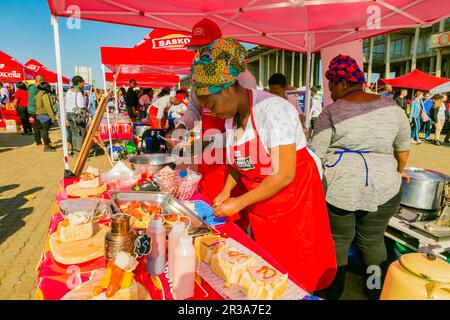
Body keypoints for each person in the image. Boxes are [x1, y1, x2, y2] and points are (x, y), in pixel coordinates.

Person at [191, 37, 336, 292]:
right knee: (270, 272)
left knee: (300, 273)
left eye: (211, 105)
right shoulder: (231, 117)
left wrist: (239, 202)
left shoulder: (273, 109)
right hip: (264, 205)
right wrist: (226, 191)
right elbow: (238, 161)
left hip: (295, 203)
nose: (211, 113)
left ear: (227, 89)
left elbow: (283, 174)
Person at [310, 54, 410, 300]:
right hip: (385, 185)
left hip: (339, 187)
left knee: (338, 242)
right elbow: (403, 149)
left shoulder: (331, 111)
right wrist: (398, 171)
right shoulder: (392, 107)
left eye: (332, 85)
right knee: (373, 241)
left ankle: (331, 293)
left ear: (342, 83)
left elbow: (316, 154)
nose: (331, 91)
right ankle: (374, 290)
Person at [172, 18, 258, 232]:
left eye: (205, 48)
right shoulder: (197, 76)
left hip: (233, 155)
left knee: (232, 213)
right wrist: (182, 125)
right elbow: (194, 109)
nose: (200, 52)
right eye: (197, 48)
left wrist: (210, 142)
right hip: (208, 155)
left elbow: (247, 127)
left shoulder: (243, 77)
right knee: (207, 205)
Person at [65, 76, 87, 153]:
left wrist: (66, 118)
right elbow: (81, 106)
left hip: (69, 114)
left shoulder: (68, 92)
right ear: (79, 83)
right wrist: (87, 109)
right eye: (82, 82)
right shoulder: (78, 93)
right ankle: (79, 152)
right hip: (77, 115)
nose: (83, 84)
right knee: (80, 133)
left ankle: (75, 150)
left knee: (74, 134)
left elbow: (66, 104)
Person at [35, 82, 57, 152]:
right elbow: (48, 107)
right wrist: (53, 117)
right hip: (45, 114)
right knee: (45, 131)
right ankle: (46, 146)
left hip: (39, 114)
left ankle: (47, 145)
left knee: (43, 131)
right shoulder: (45, 95)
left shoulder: (38, 93)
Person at [27, 75, 45, 146]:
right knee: (37, 126)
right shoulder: (33, 88)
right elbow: (32, 100)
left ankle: (39, 140)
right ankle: (38, 141)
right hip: (35, 110)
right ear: (39, 81)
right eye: (42, 81)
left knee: (38, 126)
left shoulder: (35, 88)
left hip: (36, 109)